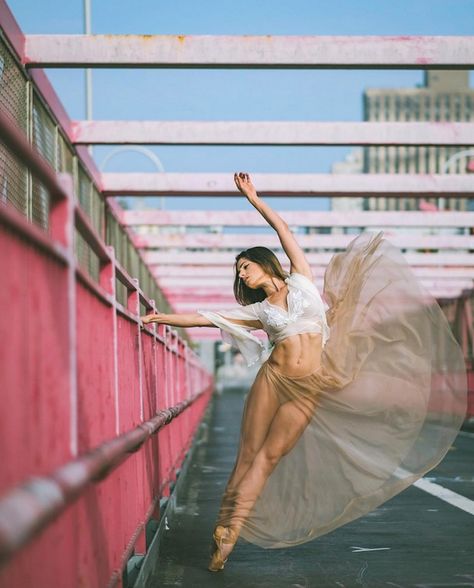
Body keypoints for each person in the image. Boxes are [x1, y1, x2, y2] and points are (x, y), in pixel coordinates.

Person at [141, 172, 467, 573]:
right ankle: (225, 531)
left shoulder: (302, 280)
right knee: (247, 457)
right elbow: (206, 317)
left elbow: (283, 230)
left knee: (270, 457)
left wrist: (254, 199)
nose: (242, 275)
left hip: (309, 386)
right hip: (273, 381)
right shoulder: (259, 312)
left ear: (263, 264)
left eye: (245, 267)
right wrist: (162, 318)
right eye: (238, 272)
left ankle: (233, 527)